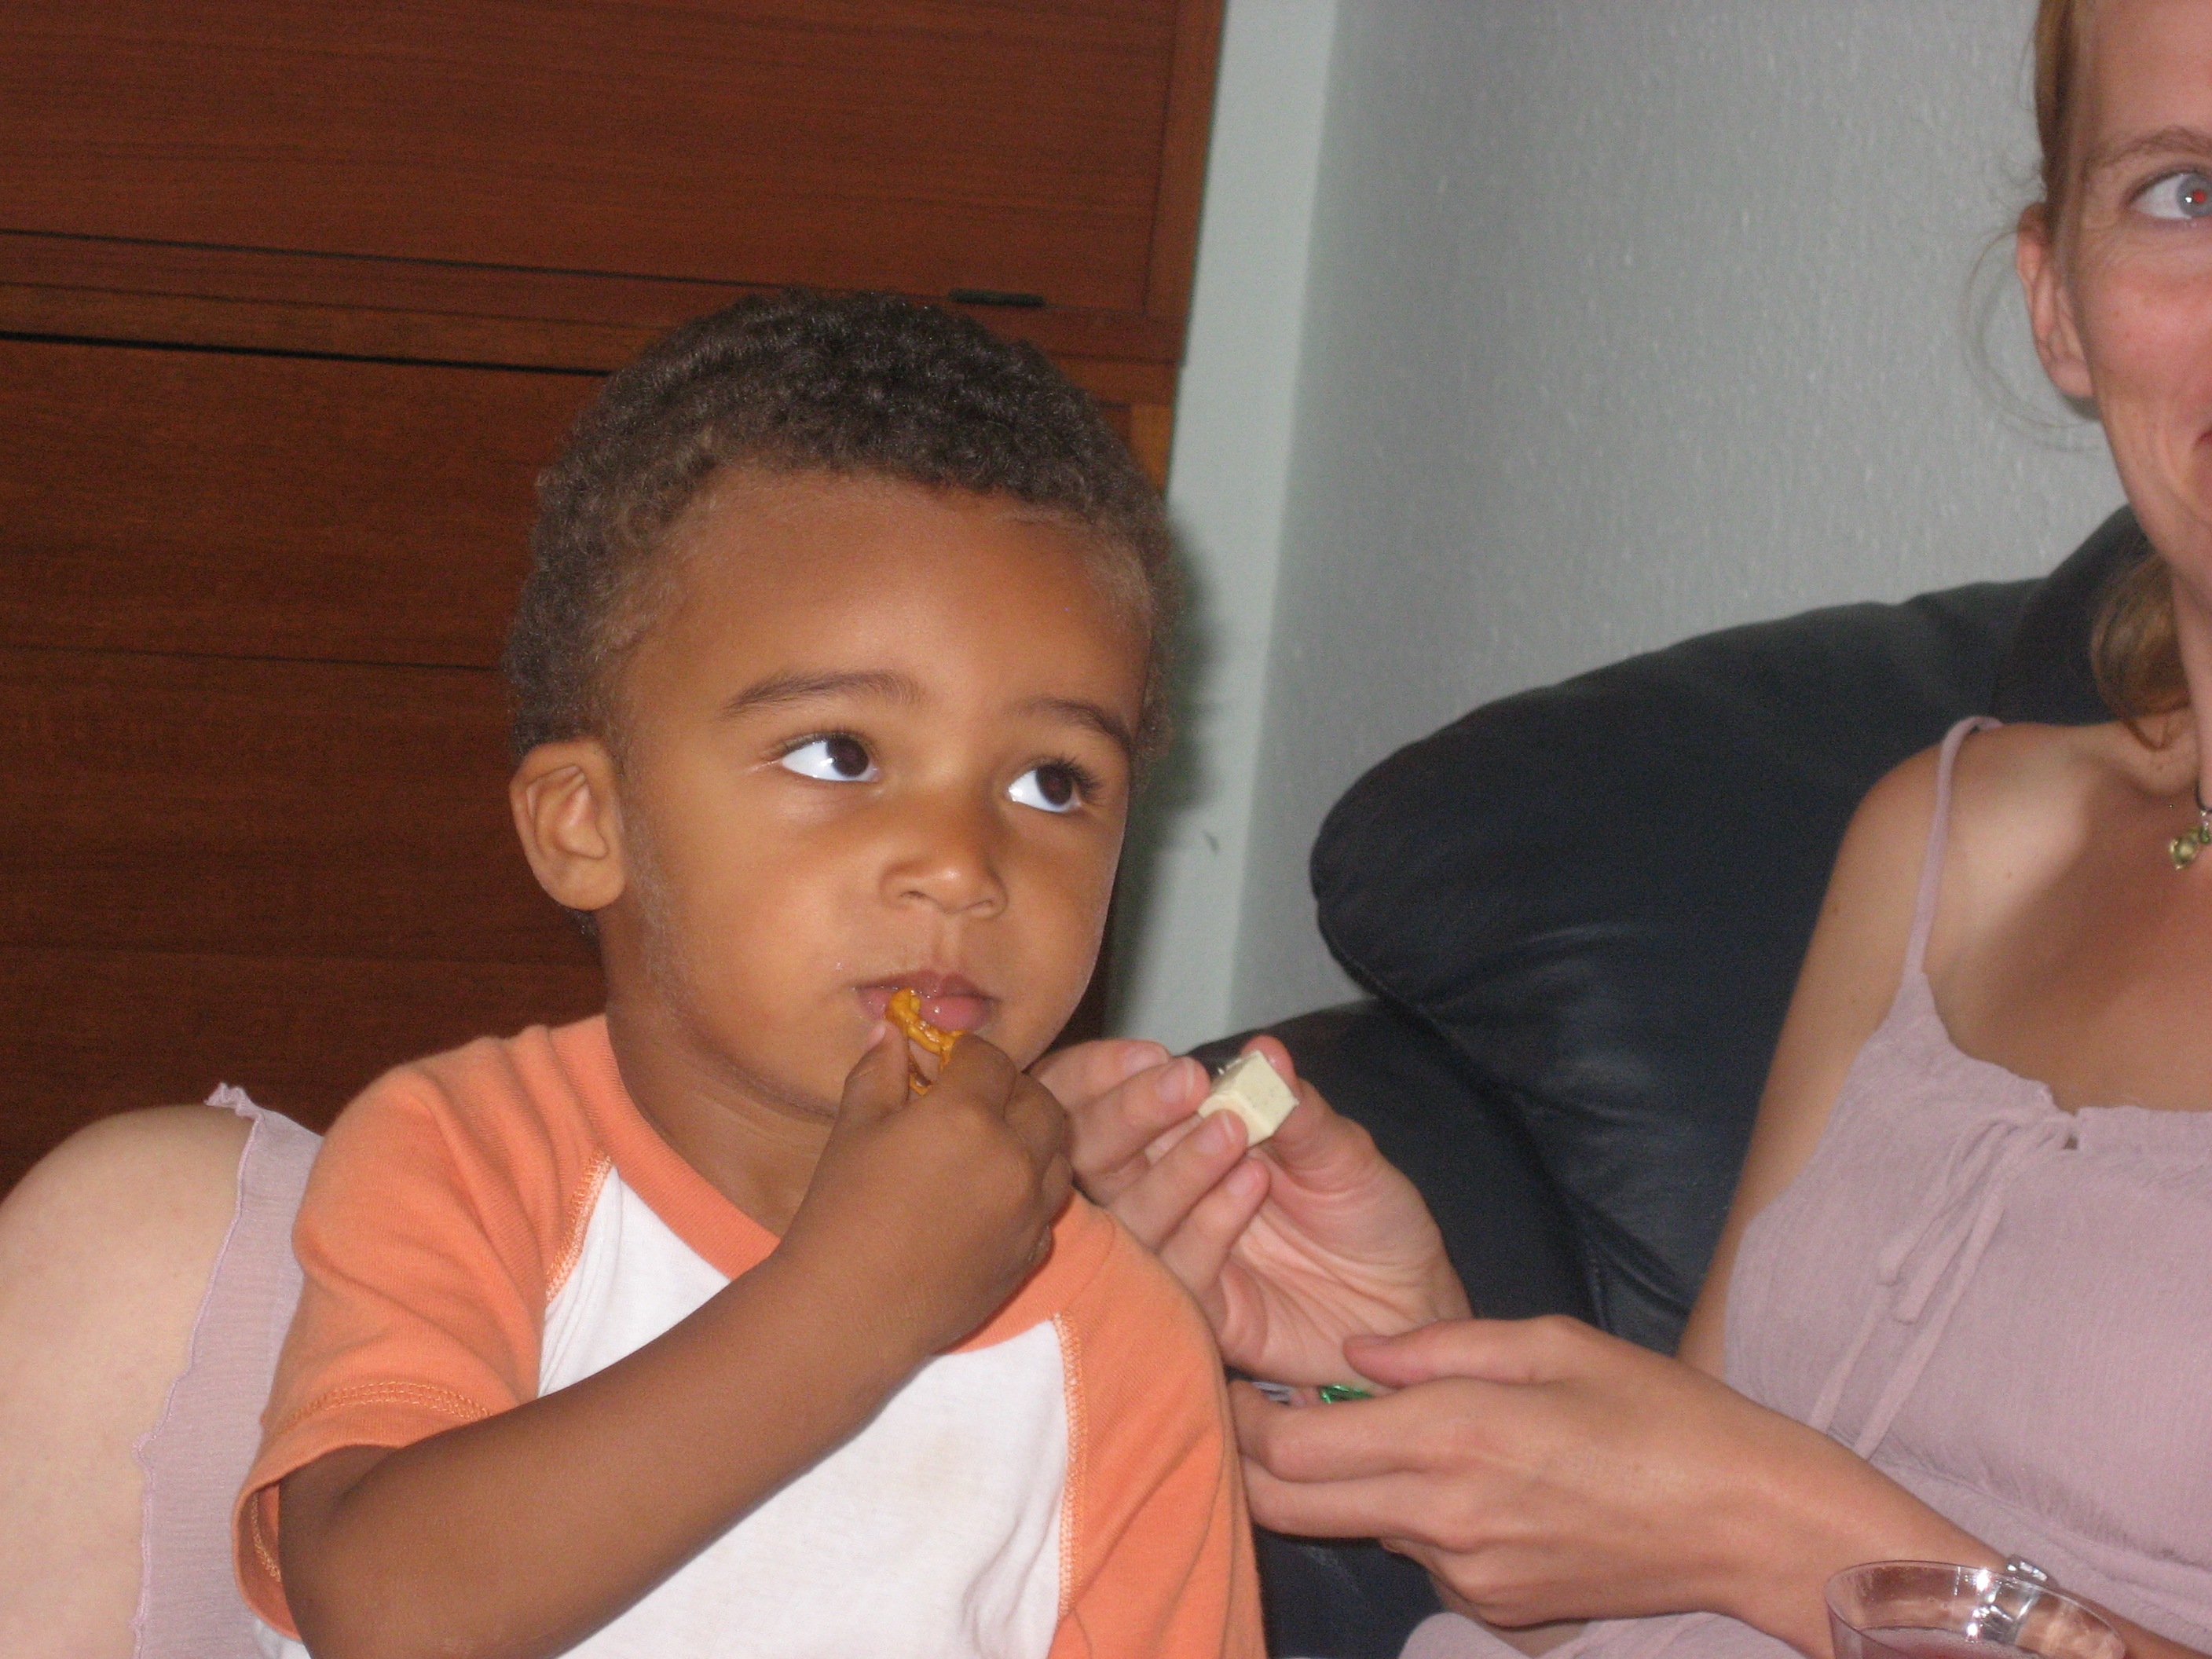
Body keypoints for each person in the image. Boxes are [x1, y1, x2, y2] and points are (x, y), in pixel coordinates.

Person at [1078, 1, 2212, 1656]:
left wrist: (1787, 1537)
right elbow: (1670, 1564)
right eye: (2186, 192)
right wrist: (1401, 1366)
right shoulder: (1956, 837)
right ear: (2058, 303)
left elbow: (1744, 1530)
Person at [204, 289, 1286, 1659]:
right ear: (588, 826)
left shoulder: (1120, 1341)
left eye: (1052, 781)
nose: (963, 866)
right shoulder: (475, 1158)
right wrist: (849, 1306)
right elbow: (385, 1610)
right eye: (842, 754)